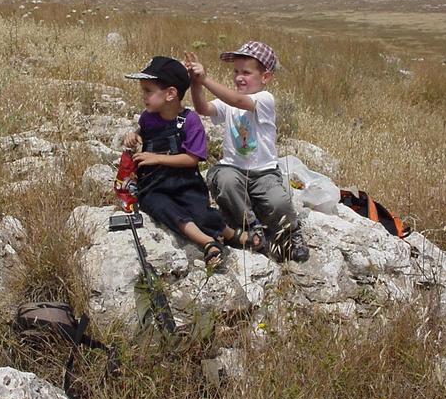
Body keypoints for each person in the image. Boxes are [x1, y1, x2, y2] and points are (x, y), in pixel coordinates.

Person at [123, 56, 254, 269]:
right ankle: (208, 243)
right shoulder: (147, 117)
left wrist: (156, 157)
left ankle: (230, 234)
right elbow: (143, 131)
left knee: (200, 212)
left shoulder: (189, 121)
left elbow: (192, 158)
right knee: (163, 209)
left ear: (170, 94)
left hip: (184, 181)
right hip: (154, 185)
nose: (143, 96)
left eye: (148, 90)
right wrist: (135, 134)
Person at [185, 41, 309, 262]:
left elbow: (238, 100)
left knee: (278, 202)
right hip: (234, 168)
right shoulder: (228, 101)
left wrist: (205, 79)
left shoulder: (264, 99)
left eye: (246, 73)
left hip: (264, 173)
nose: (239, 77)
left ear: (266, 77)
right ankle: (251, 228)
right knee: (224, 180)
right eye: (236, 71)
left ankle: (291, 234)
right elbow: (203, 109)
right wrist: (196, 84)